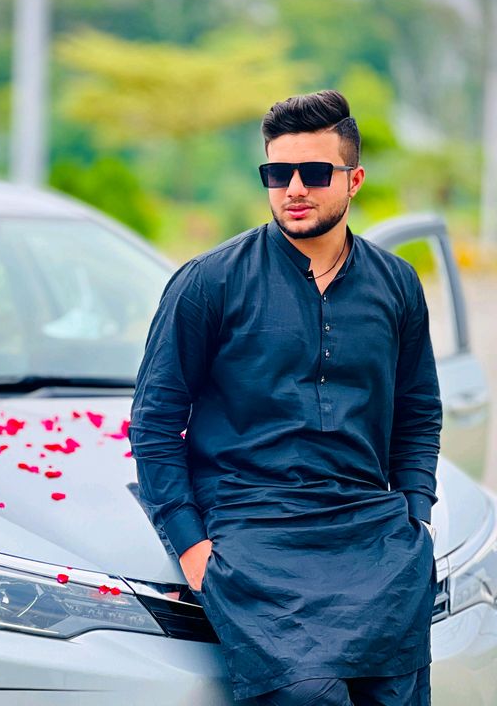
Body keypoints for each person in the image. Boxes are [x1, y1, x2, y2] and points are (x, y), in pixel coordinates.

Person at [128, 90, 441, 705]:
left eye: (315, 173)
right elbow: (155, 422)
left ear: (354, 180)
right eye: (278, 173)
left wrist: (416, 514)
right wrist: (190, 544)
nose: (294, 189)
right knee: (308, 695)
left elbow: (418, 410)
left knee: (394, 696)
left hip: (372, 534)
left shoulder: (397, 284)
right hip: (252, 532)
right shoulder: (209, 281)